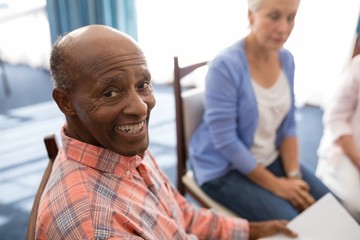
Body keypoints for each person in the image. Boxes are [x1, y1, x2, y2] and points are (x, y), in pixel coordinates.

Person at [35, 24, 298, 239]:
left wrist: (253, 230)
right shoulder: (95, 226)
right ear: (65, 102)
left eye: (143, 84)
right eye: (110, 92)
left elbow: (179, 214)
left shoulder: (119, 147)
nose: (141, 107)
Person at [189, 0, 335, 222]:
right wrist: (278, 186)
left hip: (268, 156)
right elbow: (226, 141)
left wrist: (293, 178)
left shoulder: (286, 59)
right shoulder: (224, 66)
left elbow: (289, 125)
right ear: (251, 16)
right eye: (274, 17)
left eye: (291, 17)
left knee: (332, 210)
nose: (284, 28)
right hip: (224, 170)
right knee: (297, 226)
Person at [316, 54, 360, 223]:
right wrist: (357, 160)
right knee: (341, 214)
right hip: (348, 154)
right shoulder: (358, 66)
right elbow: (336, 117)